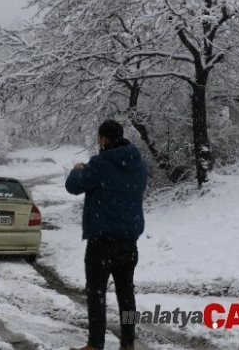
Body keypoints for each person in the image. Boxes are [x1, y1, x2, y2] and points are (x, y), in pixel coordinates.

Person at [65, 120, 148, 350]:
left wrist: (77, 169)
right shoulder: (138, 165)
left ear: (103, 138)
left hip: (101, 241)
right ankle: (129, 343)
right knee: (126, 294)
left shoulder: (100, 164)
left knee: (96, 294)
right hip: (128, 242)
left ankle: (95, 344)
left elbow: (73, 186)